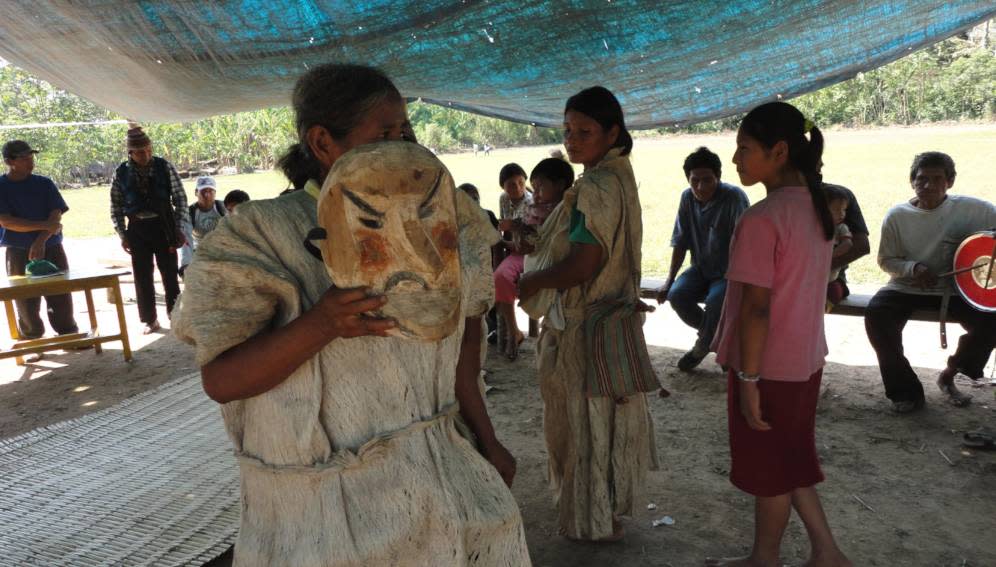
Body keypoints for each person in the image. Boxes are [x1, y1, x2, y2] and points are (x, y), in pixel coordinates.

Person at [172, 63, 529, 566]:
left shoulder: (450, 220)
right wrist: (321, 325)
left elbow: (464, 339)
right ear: (322, 143)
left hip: (438, 476)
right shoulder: (259, 236)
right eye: (384, 133)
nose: (404, 145)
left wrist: (486, 441)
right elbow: (222, 380)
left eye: (405, 131)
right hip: (320, 508)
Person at [707, 102, 850, 567]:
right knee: (788, 457)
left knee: (771, 470)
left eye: (745, 149)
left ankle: (764, 558)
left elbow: (756, 309)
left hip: (767, 367)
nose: (736, 160)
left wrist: (748, 380)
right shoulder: (818, 209)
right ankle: (827, 551)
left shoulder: (761, 218)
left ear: (780, 151)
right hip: (805, 360)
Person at [519, 86, 657, 542]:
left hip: (583, 324)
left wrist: (533, 281)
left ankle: (592, 521)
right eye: (568, 131)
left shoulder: (597, 185)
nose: (573, 140)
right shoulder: (617, 175)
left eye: (585, 131)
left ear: (612, 132)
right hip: (608, 319)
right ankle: (604, 514)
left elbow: (584, 263)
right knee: (602, 423)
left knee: (583, 425)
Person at [864, 151, 996, 413]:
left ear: (950, 182)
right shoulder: (897, 216)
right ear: (912, 181)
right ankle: (906, 391)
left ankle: (951, 372)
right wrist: (913, 268)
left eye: (937, 179)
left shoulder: (975, 209)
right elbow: (886, 260)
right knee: (877, 316)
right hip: (906, 287)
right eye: (922, 179)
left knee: (992, 323)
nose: (928, 186)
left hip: (956, 290)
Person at [655, 146, 749, 370]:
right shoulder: (687, 198)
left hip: (729, 271)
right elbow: (680, 241)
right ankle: (719, 340)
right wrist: (669, 280)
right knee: (677, 295)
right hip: (700, 267)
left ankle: (703, 345)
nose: (700, 187)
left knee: (716, 302)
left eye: (707, 180)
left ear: (719, 177)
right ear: (687, 179)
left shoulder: (734, 197)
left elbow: (747, 243)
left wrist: (741, 278)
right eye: (694, 180)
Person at [110, 125, 188, 334]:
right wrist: (123, 234)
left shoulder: (164, 167)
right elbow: (116, 206)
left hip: (164, 226)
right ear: (131, 153)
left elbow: (180, 199)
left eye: (148, 150)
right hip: (137, 229)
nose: (145, 155)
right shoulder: (121, 172)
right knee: (142, 275)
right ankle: (149, 319)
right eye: (140, 152)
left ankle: (175, 315)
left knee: (170, 272)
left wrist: (178, 228)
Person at [494, 158, 573, 360]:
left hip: (533, 256)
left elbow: (534, 243)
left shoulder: (557, 210)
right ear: (502, 186)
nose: (521, 189)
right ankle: (514, 332)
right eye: (511, 184)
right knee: (499, 277)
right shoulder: (509, 201)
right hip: (523, 252)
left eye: (521, 183)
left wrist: (514, 231)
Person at [0, 140, 80, 339]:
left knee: (60, 292)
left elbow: (56, 214)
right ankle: (32, 337)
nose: (30, 161)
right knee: (24, 297)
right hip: (18, 250)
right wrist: (44, 226)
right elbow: (6, 221)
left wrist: (41, 240)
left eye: (31, 157)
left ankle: (68, 333)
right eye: (24, 158)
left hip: (51, 245)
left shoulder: (44, 183)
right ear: (9, 161)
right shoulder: (1, 186)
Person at [824, 185, 853, 308]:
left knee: (835, 291)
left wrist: (830, 256)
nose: (841, 214)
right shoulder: (815, 227)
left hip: (832, 277)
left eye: (844, 210)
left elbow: (847, 244)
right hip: (812, 277)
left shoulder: (841, 228)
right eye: (836, 210)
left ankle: (825, 309)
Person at [188, 176, 226, 246]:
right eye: (203, 191)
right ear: (196, 192)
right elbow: (186, 237)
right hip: (200, 247)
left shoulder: (224, 207)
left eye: (210, 191)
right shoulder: (190, 212)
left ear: (215, 193)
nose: (207, 195)